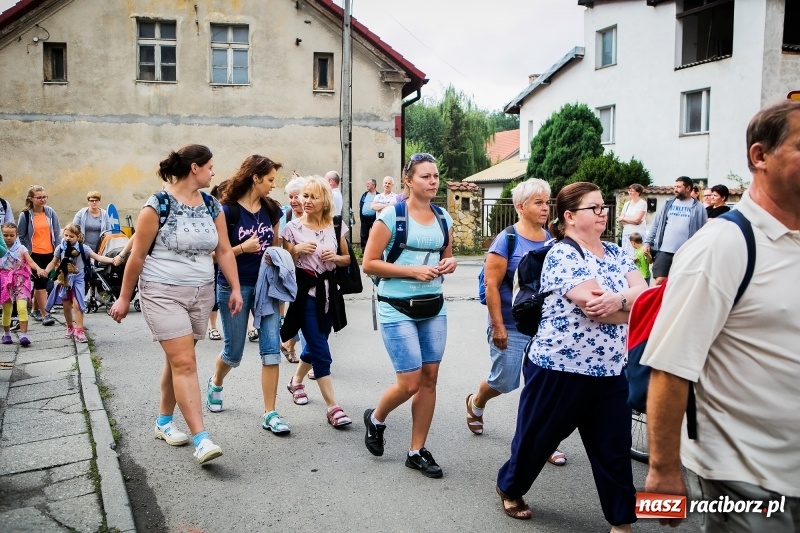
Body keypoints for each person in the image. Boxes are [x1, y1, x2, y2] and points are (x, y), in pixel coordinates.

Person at [643, 100, 800, 532]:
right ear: (760, 155)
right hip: (747, 478)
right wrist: (662, 470)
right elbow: (669, 366)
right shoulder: (723, 246)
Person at [495, 182, 646, 527]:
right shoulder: (562, 253)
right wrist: (627, 302)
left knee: (615, 450)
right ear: (570, 216)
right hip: (558, 369)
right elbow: (595, 308)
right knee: (536, 441)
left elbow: (644, 295)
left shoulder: (616, 252)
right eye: (594, 208)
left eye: (603, 207)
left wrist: (620, 301)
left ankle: (622, 521)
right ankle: (510, 487)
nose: (603, 213)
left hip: (610, 371)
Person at [109, 144, 243, 465]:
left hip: (201, 293)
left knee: (178, 361)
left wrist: (235, 288)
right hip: (161, 292)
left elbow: (223, 250)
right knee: (184, 363)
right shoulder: (157, 206)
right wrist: (125, 298)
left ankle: (164, 422)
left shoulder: (212, 205)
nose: (214, 172)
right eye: (210, 166)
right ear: (194, 168)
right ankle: (201, 439)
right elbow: (137, 255)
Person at [361, 153, 458, 478]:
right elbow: (369, 263)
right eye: (425, 176)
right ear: (408, 180)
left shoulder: (444, 217)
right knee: (410, 382)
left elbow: (446, 256)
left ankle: (416, 451)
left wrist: (450, 263)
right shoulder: (391, 216)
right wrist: (411, 272)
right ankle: (376, 418)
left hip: (434, 307)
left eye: (435, 176)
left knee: (430, 379)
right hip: (395, 306)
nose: (433, 182)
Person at [464, 178, 567, 466]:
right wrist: (497, 326)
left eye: (547, 202)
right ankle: (476, 402)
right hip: (510, 324)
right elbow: (492, 286)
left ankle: (543, 441)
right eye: (539, 202)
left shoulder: (552, 240)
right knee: (506, 381)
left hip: (544, 326)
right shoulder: (506, 240)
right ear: (520, 207)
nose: (546, 207)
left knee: (543, 386)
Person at [205, 155, 292, 435]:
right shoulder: (226, 210)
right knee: (234, 353)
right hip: (234, 286)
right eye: (269, 180)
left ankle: (271, 413)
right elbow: (212, 254)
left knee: (270, 351)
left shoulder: (272, 210)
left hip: (266, 287)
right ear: (255, 178)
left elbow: (275, 246)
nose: (272, 186)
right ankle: (216, 382)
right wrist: (242, 248)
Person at [280, 176, 353, 428]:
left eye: (313, 197)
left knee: (317, 340)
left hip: (329, 293)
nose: (306, 201)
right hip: (305, 294)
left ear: (325, 201)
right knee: (321, 351)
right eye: (304, 196)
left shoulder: (336, 225)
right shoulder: (291, 228)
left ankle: (295, 382)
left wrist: (335, 256)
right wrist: (296, 250)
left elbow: (347, 260)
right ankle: (333, 407)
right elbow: (283, 261)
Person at [44, 224, 114, 343]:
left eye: (71, 236)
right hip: (65, 279)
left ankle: (79, 330)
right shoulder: (60, 248)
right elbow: (53, 262)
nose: (68, 238)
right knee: (66, 305)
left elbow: (97, 257)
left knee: (78, 304)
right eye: (66, 235)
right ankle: (70, 326)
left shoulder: (83, 248)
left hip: (79, 279)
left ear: (78, 237)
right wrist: (46, 271)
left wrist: (112, 260)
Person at [643, 176, 707, 285]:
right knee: (659, 280)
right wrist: (648, 242)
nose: (675, 189)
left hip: (686, 252)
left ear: (688, 188)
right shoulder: (668, 203)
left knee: (681, 282)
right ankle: (656, 302)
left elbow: (703, 230)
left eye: (679, 187)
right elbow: (656, 224)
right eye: (675, 186)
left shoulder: (699, 208)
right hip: (664, 249)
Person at [17, 185, 60, 326]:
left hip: (50, 252)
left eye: (44, 197)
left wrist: (58, 252)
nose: (43, 200)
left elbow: (57, 231)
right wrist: (26, 254)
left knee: (46, 281)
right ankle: (45, 314)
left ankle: (35, 309)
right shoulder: (25, 215)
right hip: (34, 253)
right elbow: (21, 237)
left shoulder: (50, 212)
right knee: (40, 282)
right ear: (31, 199)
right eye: (39, 197)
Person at [279, 176, 307, 364]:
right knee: (298, 312)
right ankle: (302, 352)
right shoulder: (287, 216)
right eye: (291, 197)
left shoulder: (316, 215)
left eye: (297, 196)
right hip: (291, 272)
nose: (293, 201)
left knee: (303, 312)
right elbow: (281, 246)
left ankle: (291, 344)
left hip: (312, 274)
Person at [2, 222, 43, 346]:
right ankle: (7, 334)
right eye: (5, 235)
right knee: (7, 309)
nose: (8, 238)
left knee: (21, 307)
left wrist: (39, 269)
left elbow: (30, 262)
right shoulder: (0, 249)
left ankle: (24, 335)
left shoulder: (21, 248)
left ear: (16, 235)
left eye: (11, 235)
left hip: (21, 280)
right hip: (5, 281)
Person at [617, 183, 647, 256]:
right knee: (626, 256)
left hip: (637, 235)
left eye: (632, 191)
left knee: (637, 256)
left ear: (638, 192)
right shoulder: (627, 204)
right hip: (627, 234)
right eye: (629, 190)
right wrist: (631, 220)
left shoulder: (642, 203)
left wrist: (624, 219)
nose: (630, 192)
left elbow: (637, 220)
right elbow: (620, 219)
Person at [359, 179, 377, 250]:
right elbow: (361, 204)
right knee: (363, 235)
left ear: (373, 185)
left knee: (375, 235)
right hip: (364, 219)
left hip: (374, 219)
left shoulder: (378, 195)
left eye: (368, 184)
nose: (367, 185)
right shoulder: (365, 194)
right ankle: (364, 250)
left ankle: (375, 250)